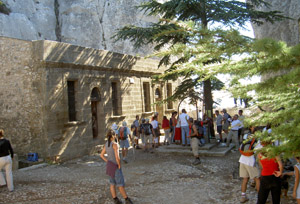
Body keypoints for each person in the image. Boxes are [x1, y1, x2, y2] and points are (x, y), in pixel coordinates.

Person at [100, 130, 133, 204]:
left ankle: (115, 199)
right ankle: (126, 199)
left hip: (110, 165)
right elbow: (117, 157)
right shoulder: (115, 144)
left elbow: (101, 155)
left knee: (112, 183)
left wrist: (107, 161)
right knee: (120, 184)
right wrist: (119, 165)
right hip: (115, 166)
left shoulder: (106, 144)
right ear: (113, 136)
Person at [239, 126, 260, 203]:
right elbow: (258, 151)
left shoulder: (246, 135)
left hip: (242, 159)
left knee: (245, 179)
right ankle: (261, 197)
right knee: (257, 179)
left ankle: (243, 197)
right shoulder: (257, 139)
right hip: (250, 160)